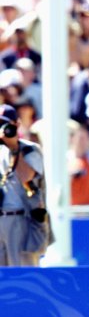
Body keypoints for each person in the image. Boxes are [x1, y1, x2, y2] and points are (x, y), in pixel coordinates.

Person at [0, 104, 48, 266]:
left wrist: (14, 147)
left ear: (16, 125)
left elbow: (28, 177)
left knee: (23, 275)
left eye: (5, 124)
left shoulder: (29, 149)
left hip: (21, 219)